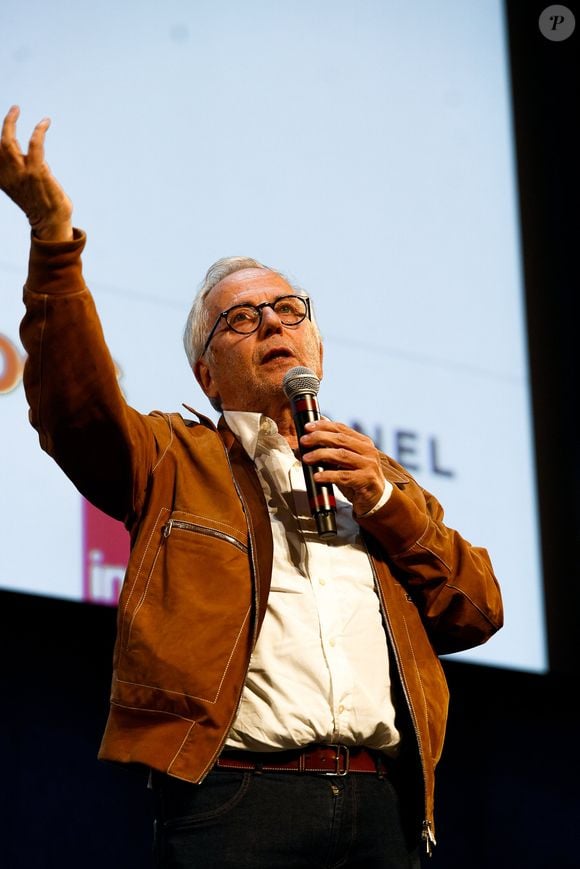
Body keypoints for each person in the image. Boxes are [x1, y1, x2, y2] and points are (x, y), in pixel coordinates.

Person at [0, 105, 503, 869]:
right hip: (237, 799)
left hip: (384, 807)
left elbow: (477, 608)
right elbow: (77, 408)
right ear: (206, 371)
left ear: (317, 347)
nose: (272, 322)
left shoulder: (375, 476)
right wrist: (54, 241)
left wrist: (385, 503)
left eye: (288, 309)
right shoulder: (174, 456)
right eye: (241, 317)